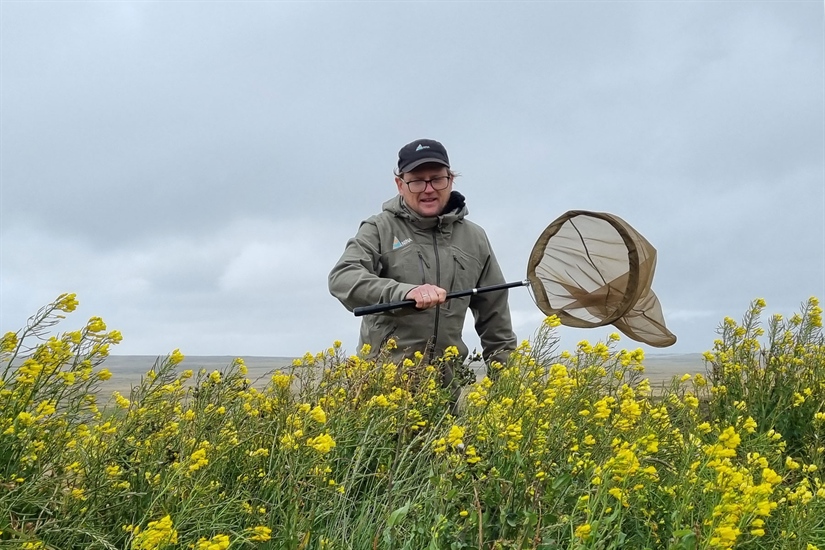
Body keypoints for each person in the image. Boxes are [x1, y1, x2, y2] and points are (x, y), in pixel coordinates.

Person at [328, 138, 517, 390]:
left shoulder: (475, 238)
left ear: (451, 180)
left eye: (437, 179)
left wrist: (508, 389)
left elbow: (496, 320)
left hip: (445, 393)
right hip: (380, 391)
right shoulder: (379, 228)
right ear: (400, 184)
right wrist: (404, 292)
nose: (428, 189)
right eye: (417, 181)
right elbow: (343, 278)